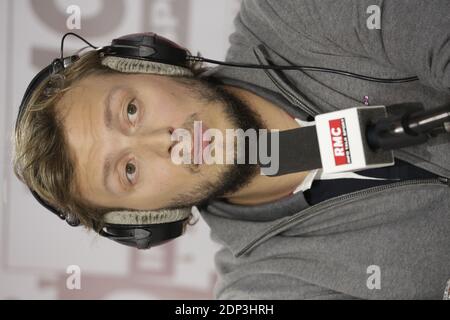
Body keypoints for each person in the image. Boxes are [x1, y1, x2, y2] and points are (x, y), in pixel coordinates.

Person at [14, 0, 450, 299]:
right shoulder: (261, 293)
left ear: (154, 63)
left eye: (131, 109)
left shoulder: (285, 12)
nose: (164, 142)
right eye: (129, 171)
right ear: (144, 219)